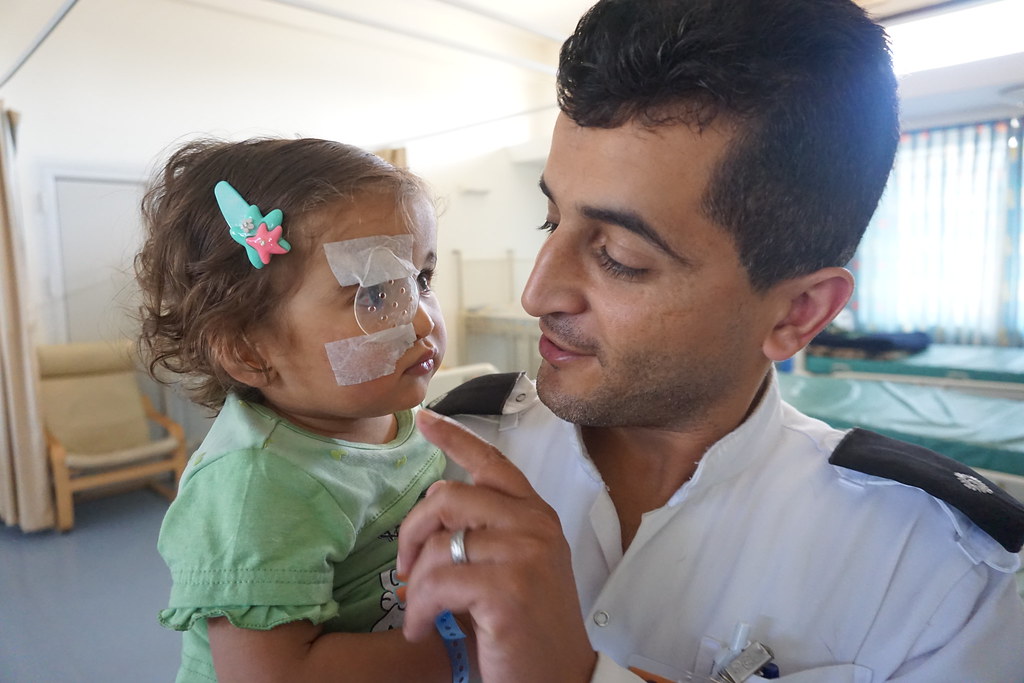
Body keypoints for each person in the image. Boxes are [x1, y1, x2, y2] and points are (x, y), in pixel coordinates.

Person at [394, 0, 1024, 681]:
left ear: (798, 313)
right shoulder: (424, 458)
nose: (537, 293)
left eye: (621, 256)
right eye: (551, 221)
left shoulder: (946, 580)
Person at [136, 137, 463, 682]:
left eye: (422, 280)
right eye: (376, 296)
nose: (425, 320)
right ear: (248, 348)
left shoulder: (400, 417)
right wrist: (470, 644)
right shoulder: (257, 486)